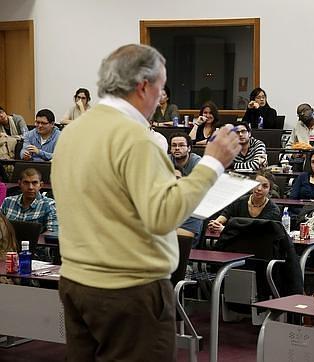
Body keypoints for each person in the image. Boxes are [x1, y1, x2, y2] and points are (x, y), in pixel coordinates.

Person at [50, 44, 241, 362]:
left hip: (76, 282)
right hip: (128, 291)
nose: (162, 97)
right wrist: (212, 164)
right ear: (143, 86)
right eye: (161, 88)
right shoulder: (136, 139)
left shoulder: (73, 131)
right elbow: (163, 216)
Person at [208, 169, 280, 233]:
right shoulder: (239, 201)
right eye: (257, 184)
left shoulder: (273, 210)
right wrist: (216, 223)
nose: (259, 188)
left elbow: (256, 232)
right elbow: (226, 214)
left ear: (270, 190)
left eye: (264, 186)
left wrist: (225, 229)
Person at [169, 133, 205, 244]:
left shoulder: (198, 163)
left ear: (189, 148)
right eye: (174, 146)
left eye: (181, 145)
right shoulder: (164, 161)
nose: (177, 148)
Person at [1, 168, 58, 233]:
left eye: (34, 183)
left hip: (35, 242)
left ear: (41, 185)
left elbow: (53, 232)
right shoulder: (8, 201)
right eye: (26, 183)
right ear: (19, 184)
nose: (30, 187)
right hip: (8, 242)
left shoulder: (49, 204)